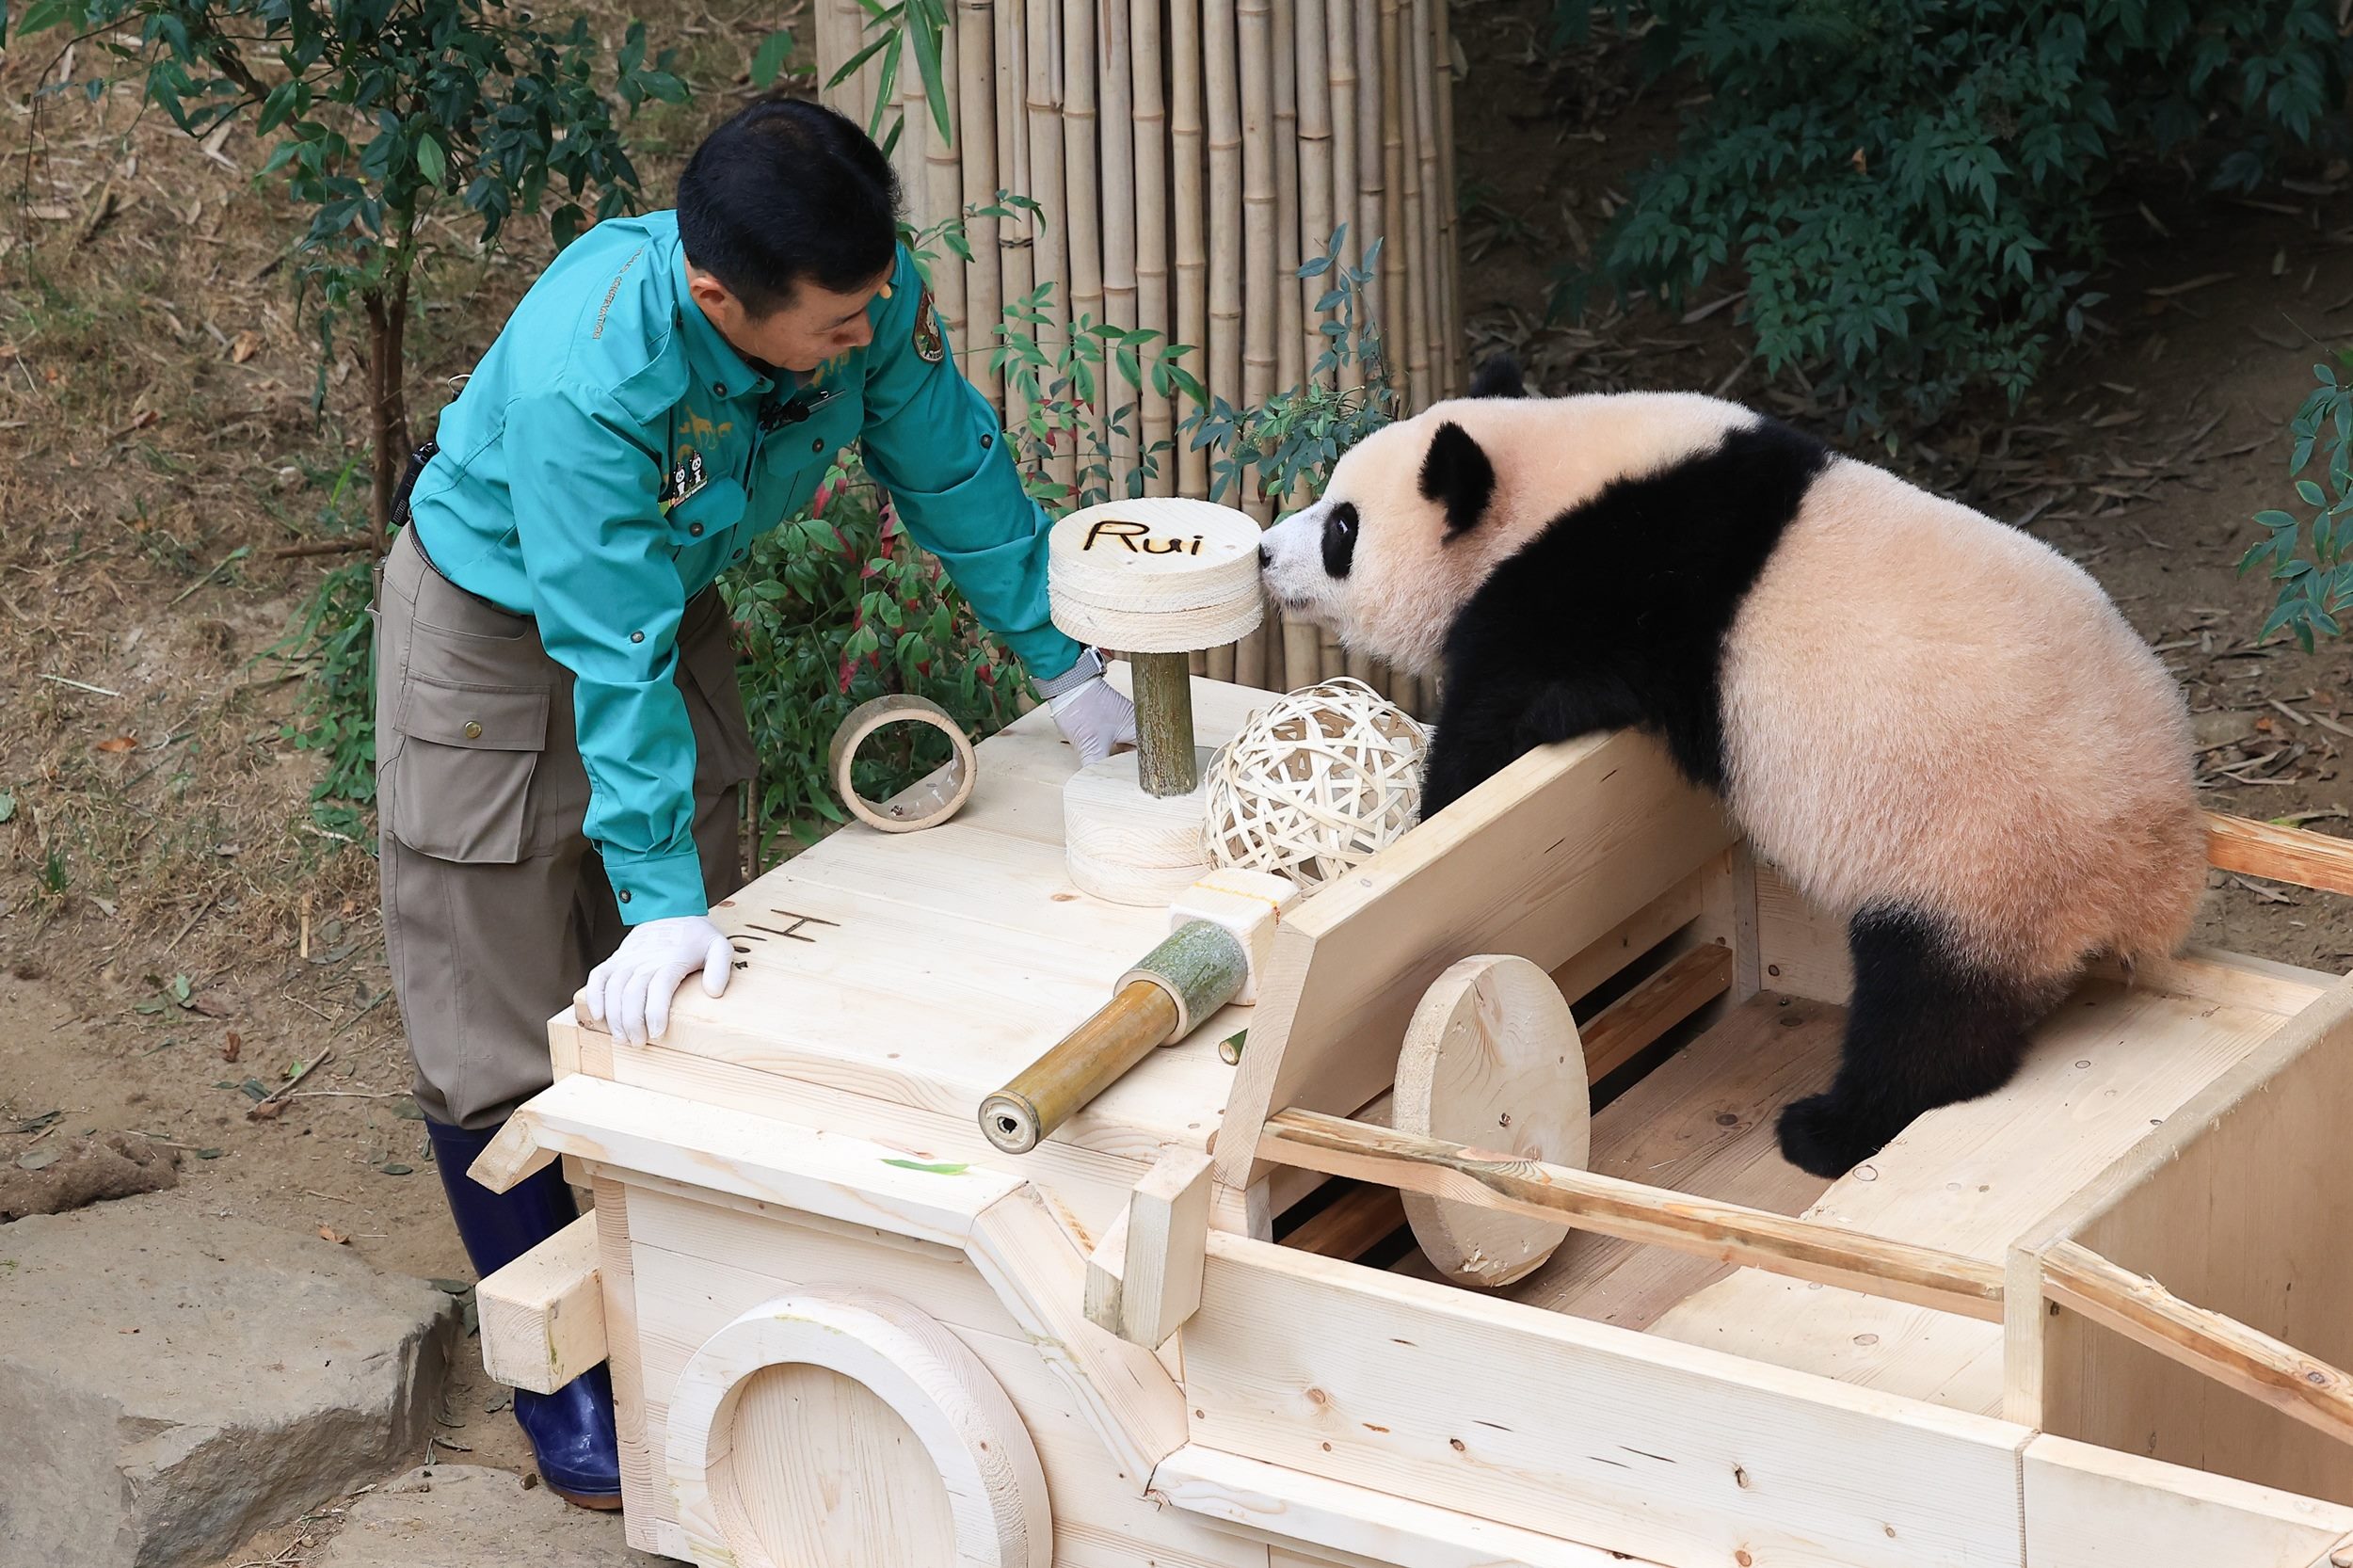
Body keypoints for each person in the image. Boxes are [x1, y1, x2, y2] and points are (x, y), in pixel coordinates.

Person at [369, 96, 1133, 1507]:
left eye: (871, 301)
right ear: (719, 296)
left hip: (665, 598)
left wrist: (1066, 664)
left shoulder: (861, 293)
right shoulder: (586, 380)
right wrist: (652, 895)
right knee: (499, 996)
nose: (866, 332)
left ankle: (682, 1298)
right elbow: (610, 653)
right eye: (836, 323)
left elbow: (948, 461)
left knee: (708, 964)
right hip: (489, 632)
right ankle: (566, 1374)